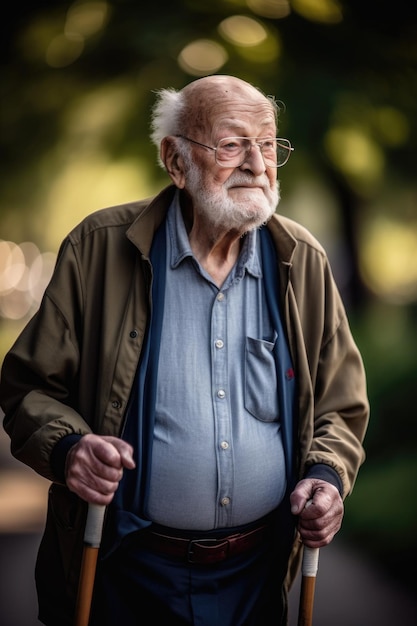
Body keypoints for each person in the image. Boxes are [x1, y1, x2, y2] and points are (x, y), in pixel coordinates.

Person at [0, 74, 369, 626]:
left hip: (258, 571)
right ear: (175, 161)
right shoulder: (98, 249)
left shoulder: (302, 261)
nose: (256, 163)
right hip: (126, 566)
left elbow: (340, 404)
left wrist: (326, 473)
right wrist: (70, 448)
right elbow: (28, 387)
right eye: (230, 143)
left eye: (267, 144)